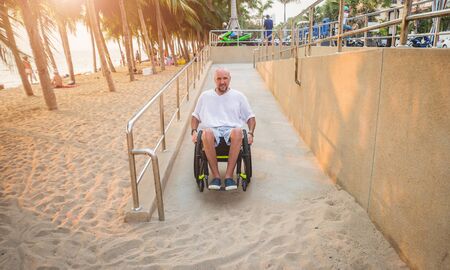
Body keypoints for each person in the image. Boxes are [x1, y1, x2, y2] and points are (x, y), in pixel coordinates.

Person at [191, 68, 256, 191]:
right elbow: (195, 116)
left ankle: (228, 177)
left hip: (231, 130)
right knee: (206, 133)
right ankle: (216, 176)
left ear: (229, 79)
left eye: (225, 78)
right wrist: (193, 131)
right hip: (211, 130)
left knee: (238, 131)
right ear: (214, 80)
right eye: (219, 78)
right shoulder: (205, 96)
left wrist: (251, 133)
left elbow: (250, 117)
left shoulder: (238, 96)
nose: (222, 82)